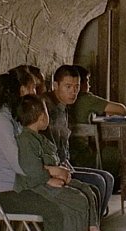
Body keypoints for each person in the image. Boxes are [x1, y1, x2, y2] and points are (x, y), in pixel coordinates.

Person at [0, 67, 101, 231]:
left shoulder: (13, 119)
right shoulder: (1, 122)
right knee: (57, 208)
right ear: (20, 90)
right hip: (5, 193)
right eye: (32, 89)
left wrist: (55, 169)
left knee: (78, 193)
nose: (35, 94)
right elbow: (21, 165)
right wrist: (53, 171)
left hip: (23, 184)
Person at [14, 94, 112, 231]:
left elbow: (51, 160)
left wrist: (61, 172)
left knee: (87, 190)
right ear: (41, 116)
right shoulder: (25, 140)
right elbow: (32, 171)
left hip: (49, 179)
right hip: (38, 185)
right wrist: (50, 178)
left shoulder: (38, 137)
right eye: (46, 112)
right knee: (74, 200)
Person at [43, 65, 115, 217]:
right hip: (52, 170)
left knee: (108, 178)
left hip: (65, 164)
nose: (73, 92)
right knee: (98, 182)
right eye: (68, 87)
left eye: (76, 87)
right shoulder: (48, 108)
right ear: (55, 85)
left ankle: (93, 223)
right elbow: (49, 146)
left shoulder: (64, 107)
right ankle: (88, 226)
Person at [69, 65, 126, 181]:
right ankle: (112, 183)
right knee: (114, 153)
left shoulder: (63, 99)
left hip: (68, 156)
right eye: (87, 81)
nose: (89, 85)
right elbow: (121, 109)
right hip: (84, 155)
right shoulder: (86, 99)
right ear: (80, 83)